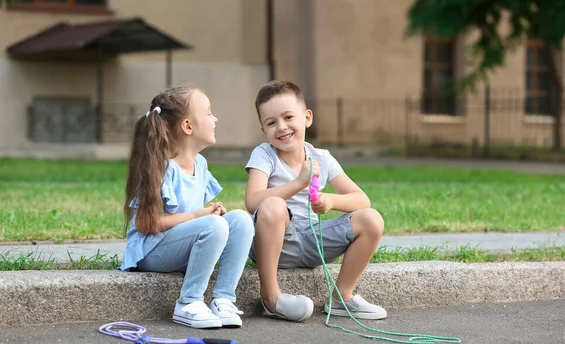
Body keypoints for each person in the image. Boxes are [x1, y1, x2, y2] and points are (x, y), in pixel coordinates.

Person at [244, 80, 386, 322]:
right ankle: (271, 297)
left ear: (307, 118)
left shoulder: (322, 158)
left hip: (314, 241)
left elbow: (362, 199)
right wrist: (299, 182)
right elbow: (252, 201)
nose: (281, 127)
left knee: (371, 219)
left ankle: (342, 297)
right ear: (263, 130)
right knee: (274, 204)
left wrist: (330, 200)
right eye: (271, 123)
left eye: (289, 117)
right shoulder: (264, 154)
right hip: (276, 242)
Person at [119, 86, 254, 329]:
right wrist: (197, 216)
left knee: (241, 220)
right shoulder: (161, 168)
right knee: (213, 225)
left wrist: (207, 214)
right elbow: (145, 224)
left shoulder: (200, 164)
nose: (215, 119)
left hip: (177, 246)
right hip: (151, 251)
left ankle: (223, 299)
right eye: (209, 113)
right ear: (188, 126)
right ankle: (188, 303)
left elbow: (198, 221)